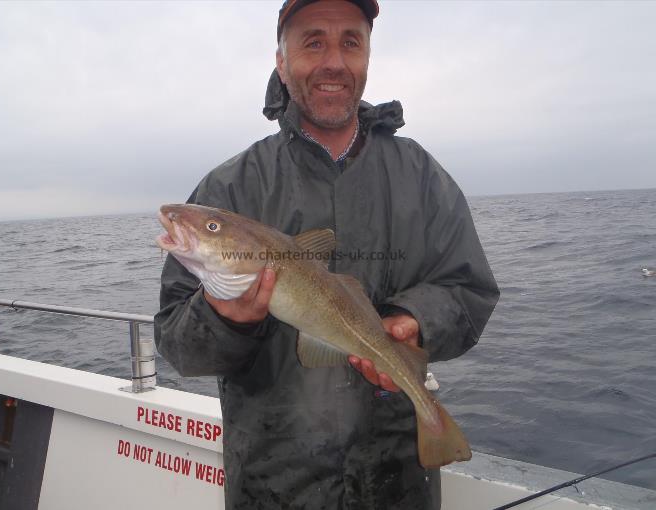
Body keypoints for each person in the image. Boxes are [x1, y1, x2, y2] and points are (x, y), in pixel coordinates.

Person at [154, 0, 499, 508]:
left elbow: (470, 290)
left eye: (350, 42)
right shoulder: (230, 187)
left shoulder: (421, 177)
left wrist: (413, 321)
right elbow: (176, 341)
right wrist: (224, 317)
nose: (333, 61)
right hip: (271, 488)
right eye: (313, 41)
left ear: (367, 57)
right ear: (282, 60)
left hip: (398, 484)